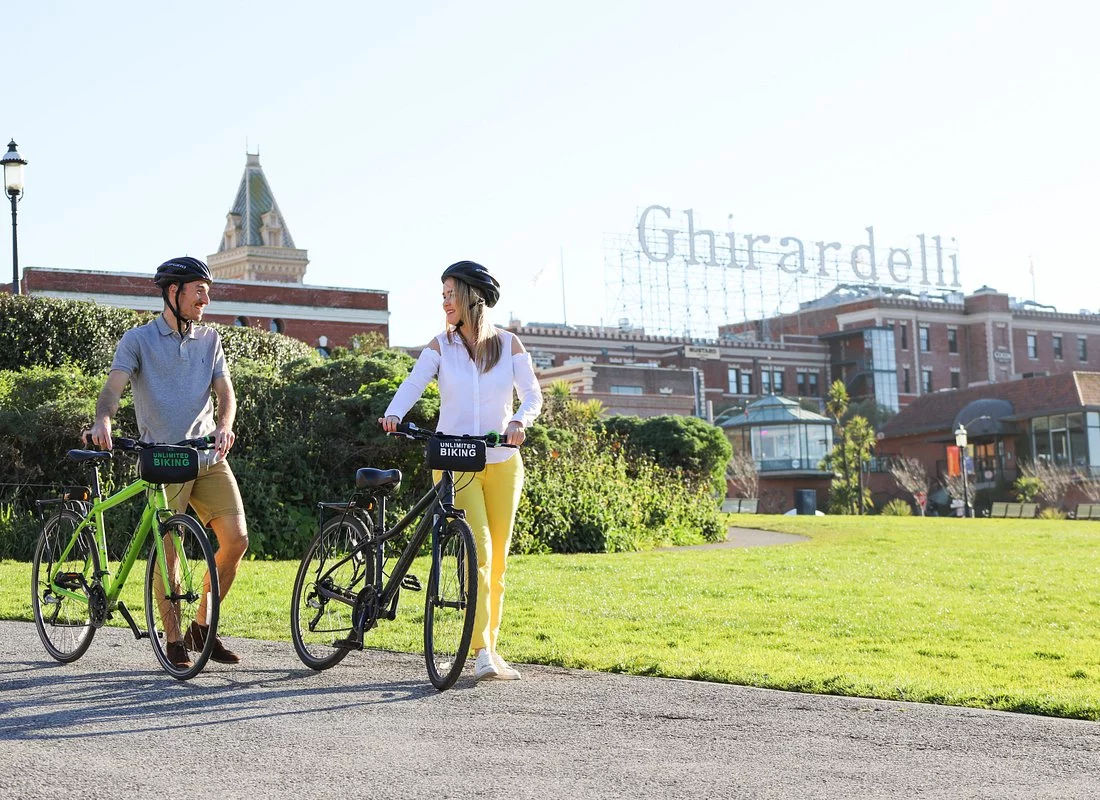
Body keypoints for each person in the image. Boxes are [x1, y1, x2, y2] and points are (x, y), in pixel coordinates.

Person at [84, 257, 248, 670]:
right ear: (173, 293)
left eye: (207, 291)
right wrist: (103, 418)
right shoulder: (138, 340)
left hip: (207, 455)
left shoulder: (211, 340)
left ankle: (201, 625)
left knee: (236, 540)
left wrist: (225, 426)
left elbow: (225, 395)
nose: (206, 299)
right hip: (165, 457)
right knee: (169, 548)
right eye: (199, 290)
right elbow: (113, 389)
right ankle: (173, 638)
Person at [381, 261, 542, 681]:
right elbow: (414, 383)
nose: (444, 301)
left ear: (473, 297)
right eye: (444, 294)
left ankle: (491, 646)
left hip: (503, 463)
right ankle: (482, 651)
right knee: (480, 553)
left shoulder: (509, 344)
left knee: (498, 561)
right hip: (455, 463)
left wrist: (519, 422)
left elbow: (532, 395)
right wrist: (394, 413)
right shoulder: (440, 346)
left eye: (450, 293)